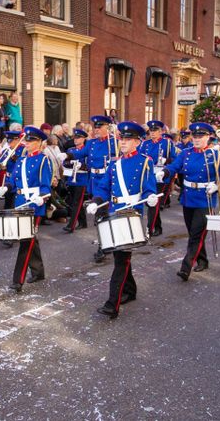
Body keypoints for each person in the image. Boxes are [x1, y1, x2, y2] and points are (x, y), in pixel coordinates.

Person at [87, 122, 158, 318]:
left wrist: (151, 197)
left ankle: (112, 304)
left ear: (137, 142)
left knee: (121, 260)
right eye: (122, 139)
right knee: (121, 257)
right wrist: (96, 201)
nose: (123, 142)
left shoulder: (145, 162)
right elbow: (103, 187)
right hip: (114, 212)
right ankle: (130, 291)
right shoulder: (115, 163)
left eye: (127, 139)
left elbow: (149, 187)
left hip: (131, 214)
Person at [164, 123, 220, 281]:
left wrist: (217, 185)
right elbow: (174, 166)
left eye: (201, 137)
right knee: (194, 233)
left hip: (206, 199)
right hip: (189, 197)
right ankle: (203, 260)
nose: (197, 139)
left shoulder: (216, 155)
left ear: (208, 137)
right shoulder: (185, 153)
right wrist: (165, 171)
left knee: (196, 234)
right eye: (195, 136)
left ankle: (186, 267)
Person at [0, 126, 51, 292]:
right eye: (26, 140)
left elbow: (46, 187)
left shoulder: (43, 160)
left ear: (39, 142)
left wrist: (41, 198)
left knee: (25, 241)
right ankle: (38, 271)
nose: (26, 143)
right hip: (20, 202)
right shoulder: (21, 160)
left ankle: (17, 280)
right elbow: (13, 180)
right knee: (30, 238)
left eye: (30, 140)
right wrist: (6, 186)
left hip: (35, 205)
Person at [62, 116, 118, 262]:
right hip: (94, 181)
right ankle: (107, 243)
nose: (97, 129)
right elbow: (80, 153)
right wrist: (67, 154)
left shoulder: (114, 143)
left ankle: (104, 246)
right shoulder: (92, 143)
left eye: (100, 127)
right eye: (96, 127)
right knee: (100, 215)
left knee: (103, 214)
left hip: (107, 181)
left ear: (107, 128)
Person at [138, 120, 178, 237]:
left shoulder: (167, 143)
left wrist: (167, 161)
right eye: (151, 131)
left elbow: (175, 160)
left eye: (155, 131)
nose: (153, 133)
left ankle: (149, 229)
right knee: (150, 202)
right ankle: (158, 227)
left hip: (161, 175)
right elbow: (140, 158)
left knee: (153, 202)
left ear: (161, 131)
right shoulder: (145, 144)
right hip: (149, 175)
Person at [62, 128, 90, 233]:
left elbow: (88, 165)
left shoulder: (86, 151)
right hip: (71, 178)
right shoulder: (70, 150)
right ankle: (83, 222)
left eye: (78, 138)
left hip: (81, 179)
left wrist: (81, 165)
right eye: (75, 137)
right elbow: (64, 163)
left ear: (83, 139)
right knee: (75, 201)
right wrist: (72, 163)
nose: (76, 139)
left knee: (77, 203)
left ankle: (71, 225)